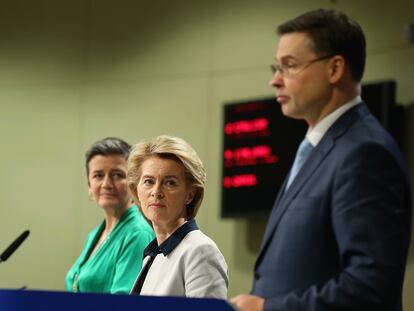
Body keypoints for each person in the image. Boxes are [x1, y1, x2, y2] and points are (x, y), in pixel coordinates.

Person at [231, 8, 412, 311]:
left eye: (288, 66)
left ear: (334, 68)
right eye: (276, 67)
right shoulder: (318, 147)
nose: (275, 80)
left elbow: (369, 288)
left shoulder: (364, 153)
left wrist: (266, 308)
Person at [127, 135, 228, 298]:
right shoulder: (152, 256)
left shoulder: (200, 251)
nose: (156, 192)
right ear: (137, 191)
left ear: (190, 195)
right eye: (148, 181)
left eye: (170, 182)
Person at [66, 137, 155, 294]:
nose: (106, 184)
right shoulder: (94, 234)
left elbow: (121, 305)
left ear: (134, 183)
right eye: (98, 175)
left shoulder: (137, 234)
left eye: (117, 175)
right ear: (89, 185)